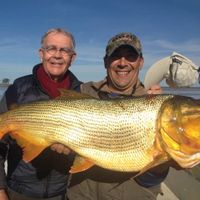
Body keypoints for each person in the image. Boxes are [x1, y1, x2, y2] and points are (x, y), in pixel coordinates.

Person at [66, 32, 171, 200]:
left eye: (130, 56)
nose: (123, 63)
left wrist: (160, 165)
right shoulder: (82, 93)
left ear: (140, 62)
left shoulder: (154, 105)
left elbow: (151, 180)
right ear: (105, 62)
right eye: (116, 56)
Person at [0, 28, 82, 200]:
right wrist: (0, 190)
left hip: (63, 193)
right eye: (51, 48)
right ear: (41, 53)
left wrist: (149, 97)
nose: (57, 55)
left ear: (72, 58)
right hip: (19, 191)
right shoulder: (18, 89)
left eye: (64, 50)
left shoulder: (83, 91)